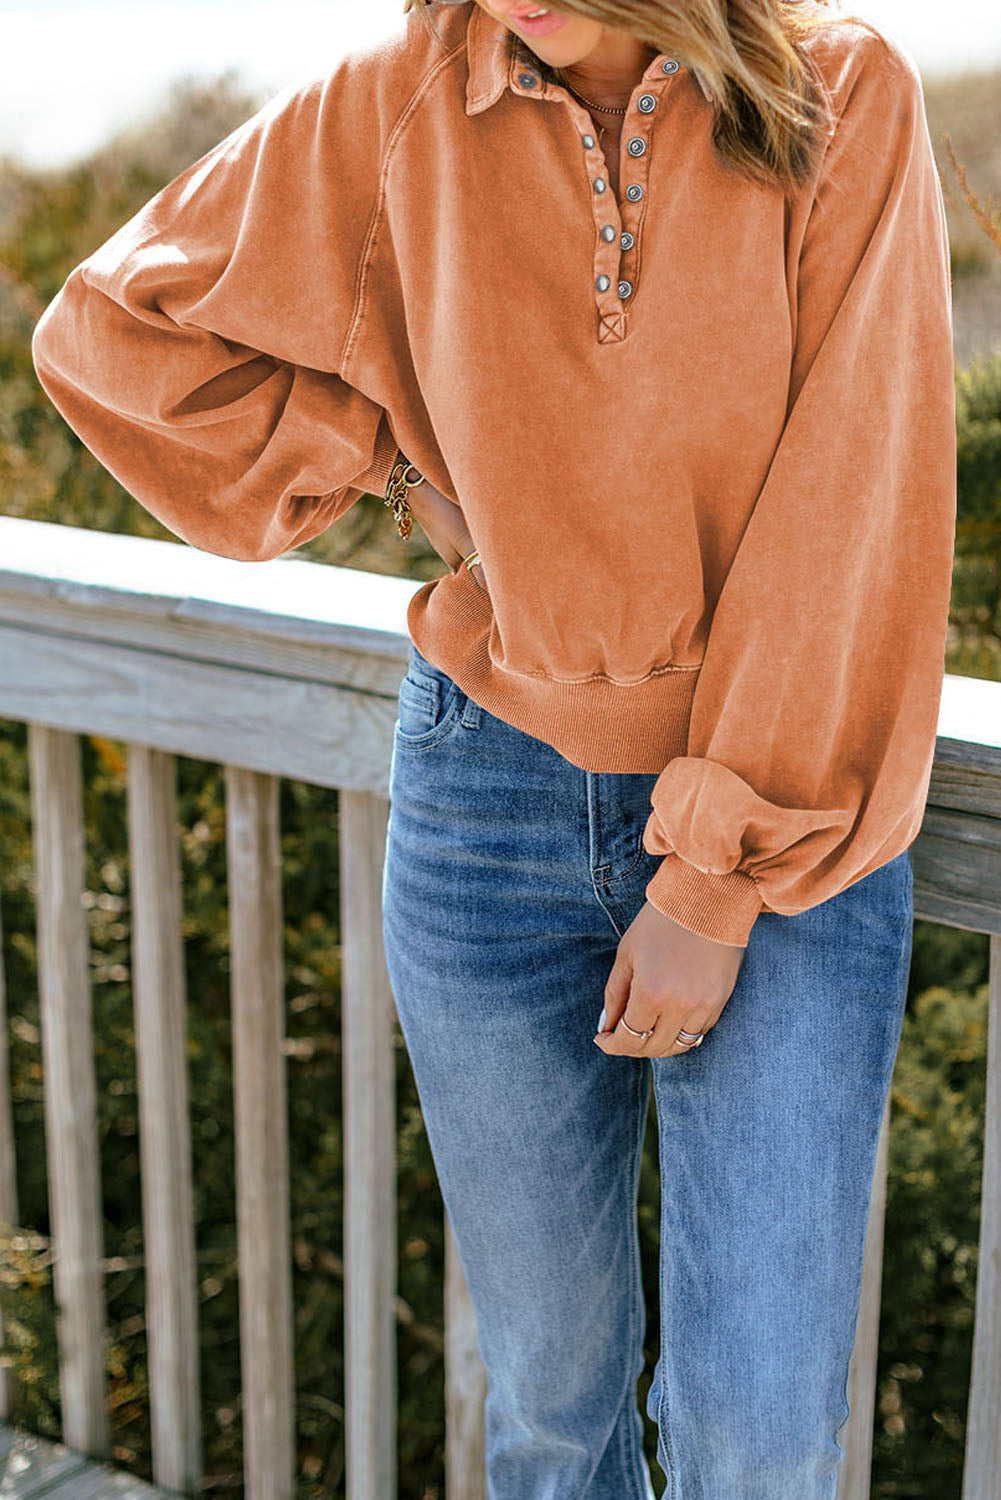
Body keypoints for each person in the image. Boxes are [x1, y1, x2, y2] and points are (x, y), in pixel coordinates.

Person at [30, 0, 956, 1494]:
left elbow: (853, 502)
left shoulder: (837, 89)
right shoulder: (403, 95)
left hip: (784, 821)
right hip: (485, 797)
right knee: (548, 1409)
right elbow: (114, 329)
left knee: (756, 1438)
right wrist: (385, 454)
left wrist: (707, 885)